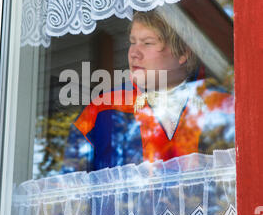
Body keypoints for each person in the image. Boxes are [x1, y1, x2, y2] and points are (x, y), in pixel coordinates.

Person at [61, 10, 235, 173]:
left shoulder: (223, 107)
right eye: (132, 42)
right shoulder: (102, 110)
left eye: (147, 43)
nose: (134, 53)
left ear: (183, 52)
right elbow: (70, 192)